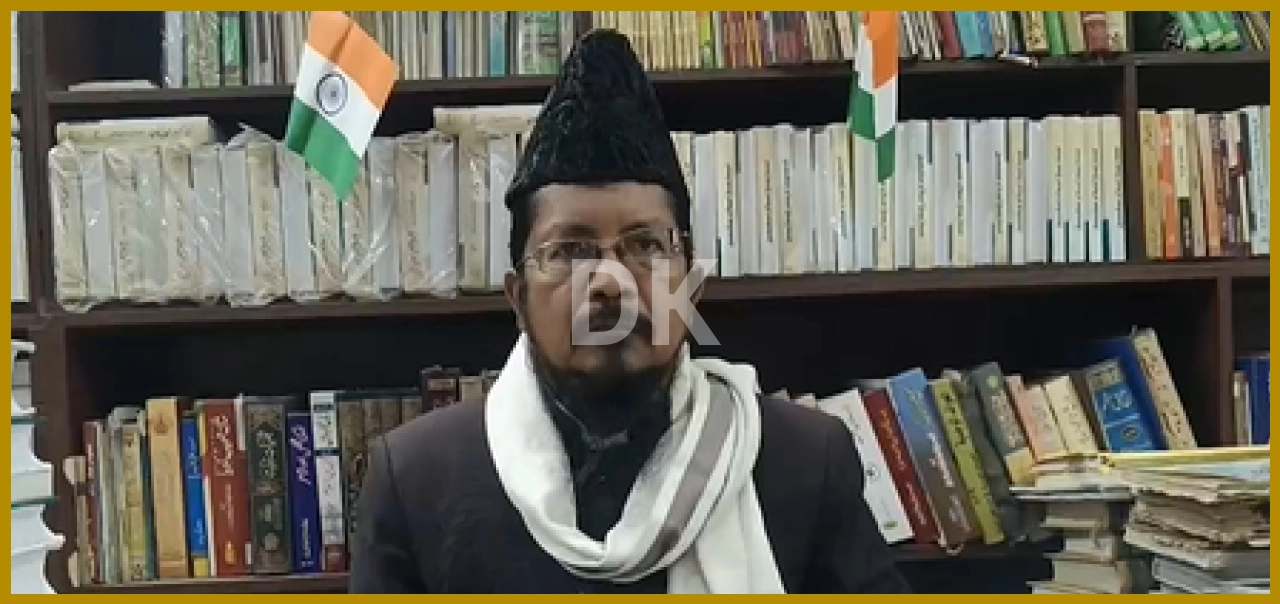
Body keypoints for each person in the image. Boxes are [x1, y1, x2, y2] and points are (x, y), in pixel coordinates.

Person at [349, 28, 911, 594]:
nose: (610, 284)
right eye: (570, 251)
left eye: (644, 246)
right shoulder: (416, 479)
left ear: (689, 285)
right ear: (518, 298)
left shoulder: (806, 460)